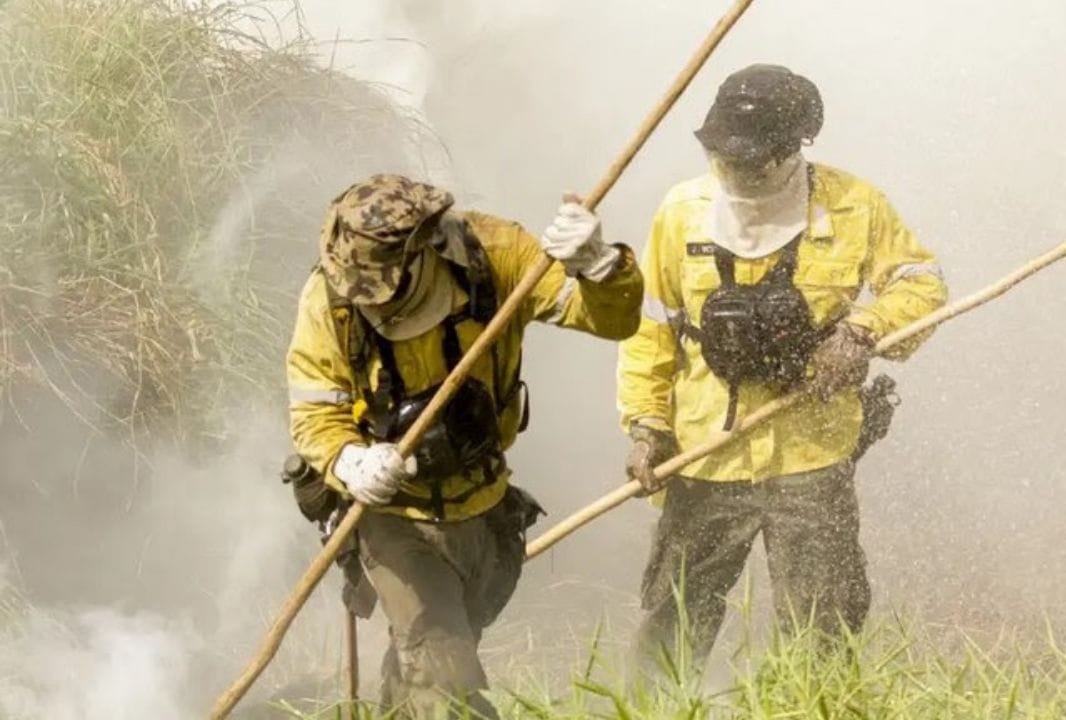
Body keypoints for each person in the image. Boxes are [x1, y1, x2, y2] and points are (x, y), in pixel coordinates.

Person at [617, 64, 949, 669]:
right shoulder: (682, 211)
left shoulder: (854, 206)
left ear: (794, 144)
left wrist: (861, 330)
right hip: (704, 455)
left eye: (753, 158)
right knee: (673, 621)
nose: (737, 170)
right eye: (725, 155)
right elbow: (650, 331)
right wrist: (645, 426)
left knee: (823, 623)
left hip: (813, 457)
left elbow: (923, 288)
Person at [286, 174, 641, 717]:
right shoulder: (330, 298)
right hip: (393, 518)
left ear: (425, 248)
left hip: (484, 507)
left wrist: (599, 266)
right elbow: (315, 411)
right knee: (446, 678)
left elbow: (613, 320)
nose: (370, 306)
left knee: (430, 659)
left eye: (383, 290)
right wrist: (349, 460)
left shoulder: (497, 258)